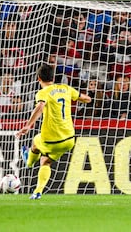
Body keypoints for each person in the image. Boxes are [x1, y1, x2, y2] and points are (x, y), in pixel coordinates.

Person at [16, 63, 91, 200]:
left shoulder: (42, 93)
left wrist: (27, 126)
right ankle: (37, 192)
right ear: (53, 77)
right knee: (46, 162)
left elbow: (40, 106)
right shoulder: (65, 88)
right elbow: (87, 99)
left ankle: (29, 162)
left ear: (39, 78)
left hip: (50, 139)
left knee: (36, 142)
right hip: (69, 139)